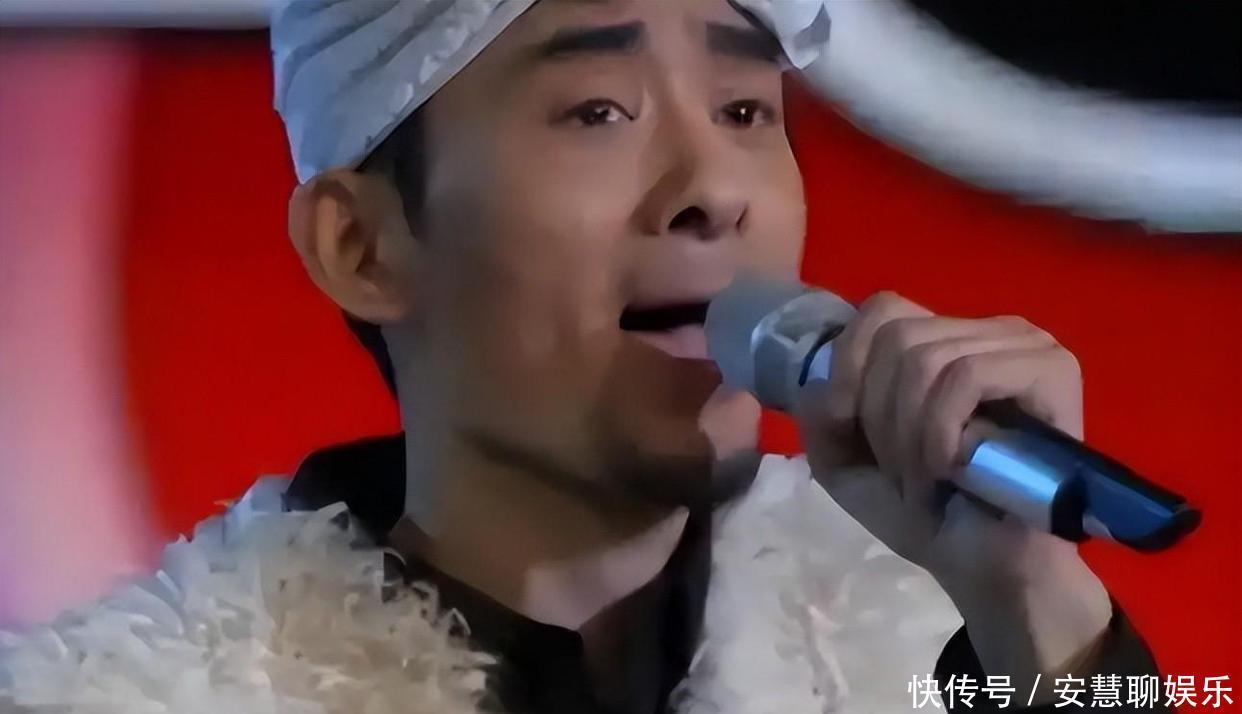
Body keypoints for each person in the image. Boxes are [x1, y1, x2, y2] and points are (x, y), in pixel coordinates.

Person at [0, 1, 1166, 712]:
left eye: (746, 112)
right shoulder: (134, 696)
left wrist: (1037, 612)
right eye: (599, 111)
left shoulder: (933, 657)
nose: (713, 190)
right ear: (362, 245)